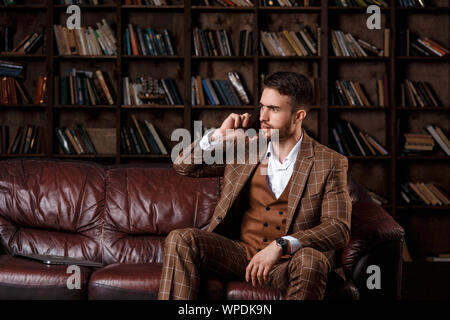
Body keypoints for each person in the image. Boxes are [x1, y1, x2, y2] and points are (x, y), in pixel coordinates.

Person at [158, 71, 352, 300]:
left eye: (274, 109)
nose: (263, 116)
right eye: (262, 107)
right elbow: (183, 166)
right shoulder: (246, 148)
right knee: (181, 239)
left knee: (312, 260)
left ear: (298, 116)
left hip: (286, 265)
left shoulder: (328, 162)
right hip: (239, 254)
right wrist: (216, 136)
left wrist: (282, 245)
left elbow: (338, 228)